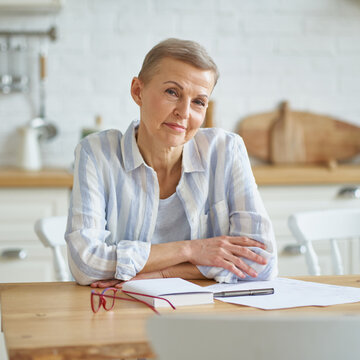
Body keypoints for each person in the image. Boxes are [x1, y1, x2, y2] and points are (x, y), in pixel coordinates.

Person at [65, 38, 277, 288]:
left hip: (207, 313)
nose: (185, 112)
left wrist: (160, 275)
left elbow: (261, 262)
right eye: (172, 92)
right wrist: (190, 250)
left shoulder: (226, 151)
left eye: (198, 101)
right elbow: (86, 263)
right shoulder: (96, 153)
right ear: (137, 91)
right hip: (120, 308)